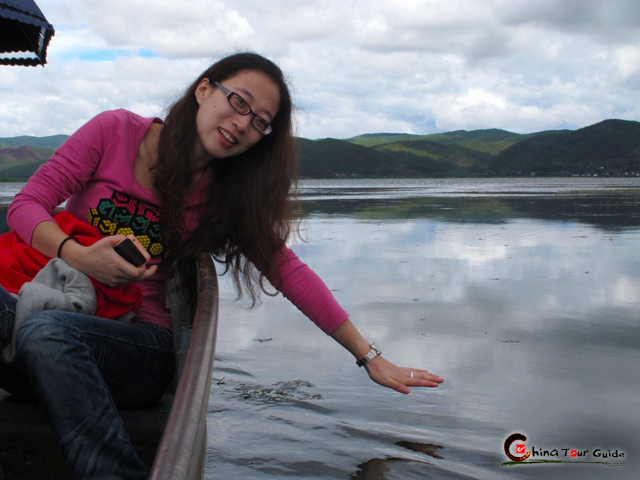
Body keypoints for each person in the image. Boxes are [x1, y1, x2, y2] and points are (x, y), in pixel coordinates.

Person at [0, 52, 444, 479]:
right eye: (239, 103)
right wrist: (77, 256)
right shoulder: (115, 132)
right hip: (52, 298)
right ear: (204, 90)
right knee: (40, 325)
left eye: (260, 123)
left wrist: (368, 356)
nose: (242, 125)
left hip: (139, 343)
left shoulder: (226, 197)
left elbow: (287, 271)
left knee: (46, 332)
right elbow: (27, 204)